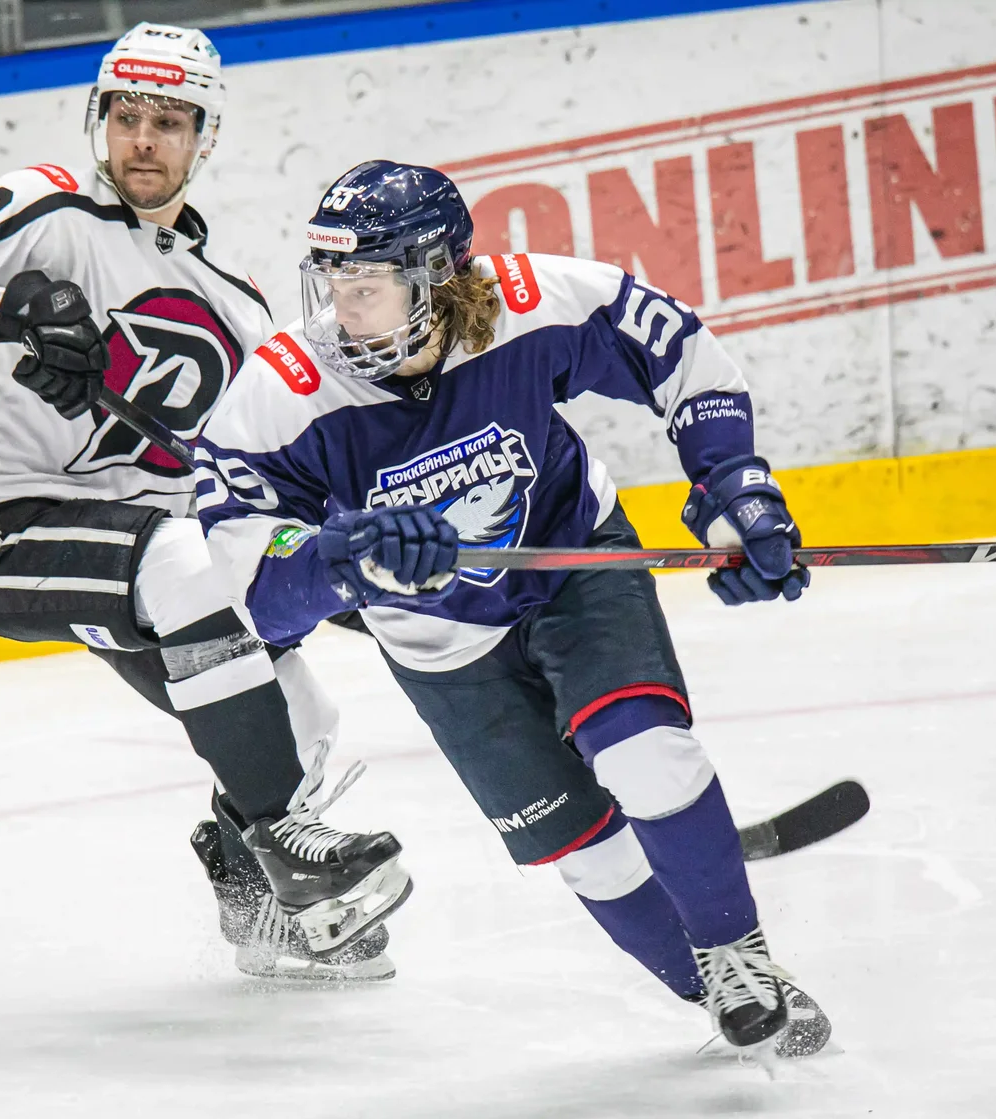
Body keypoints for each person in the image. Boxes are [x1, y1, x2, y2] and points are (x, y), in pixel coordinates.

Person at [194, 159, 830, 1056]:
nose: (344, 307)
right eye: (333, 281)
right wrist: (347, 561)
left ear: (437, 275)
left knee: (646, 751)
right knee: (589, 848)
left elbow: (678, 351)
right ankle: (714, 991)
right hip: (438, 637)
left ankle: (738, 956)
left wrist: (731, 483)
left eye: (367, 284)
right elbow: (255, 590)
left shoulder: (532, 301)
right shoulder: (282, 393)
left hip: (572, 564)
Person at [0, 25, 406, 981]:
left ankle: (262, 910)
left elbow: (246, 476)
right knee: (185, 565)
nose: (144, 140)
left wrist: (330, 557)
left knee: (302, 709)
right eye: (127, 117)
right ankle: (291, 847)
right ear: (99, 120)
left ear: (205, 136)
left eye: (170, 122)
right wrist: (7, 311)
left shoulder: (238, 311)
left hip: (126, 548)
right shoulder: (49, 207)